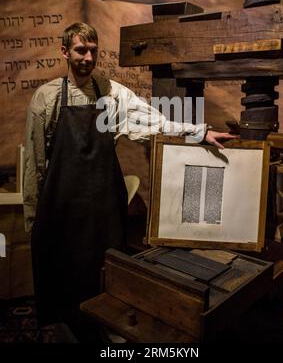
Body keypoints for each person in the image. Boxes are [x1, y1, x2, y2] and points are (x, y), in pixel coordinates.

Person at [23, 22, 236, 337]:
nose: (88, 57)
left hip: (103, 207)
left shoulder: (110, 93)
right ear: (65, 51)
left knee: (107, 277)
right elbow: (35, 162)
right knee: (66, 281)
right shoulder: (48, 98)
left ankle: (104, 331)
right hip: (64, 209)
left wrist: (200, 132)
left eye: (93, 50)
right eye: (81, 50)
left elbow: (156, 121)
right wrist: (34, 219)